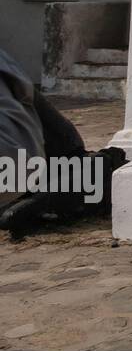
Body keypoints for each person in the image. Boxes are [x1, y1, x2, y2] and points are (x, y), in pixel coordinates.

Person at [0, 47, 124, 236]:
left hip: (57, 156)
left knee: (15, 212)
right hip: (28, 167)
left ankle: (99, 168)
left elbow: (20, 153)